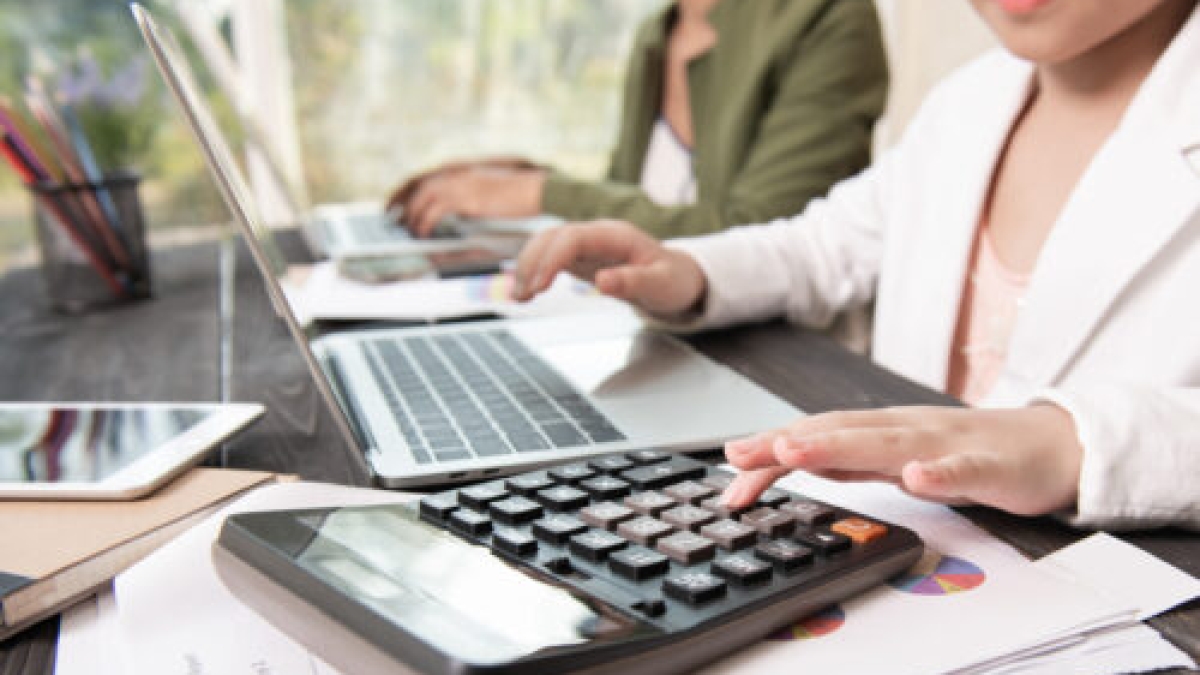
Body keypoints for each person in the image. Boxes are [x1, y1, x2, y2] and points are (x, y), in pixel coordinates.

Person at [511, 0, 1200, 530]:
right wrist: (689, 272)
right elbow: (825, 245)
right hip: (910, 546)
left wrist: (1071, 443)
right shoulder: (967, 101)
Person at [386, 0, 888, 240]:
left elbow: (754, 236)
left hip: (780, 364)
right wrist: (511, 179)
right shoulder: (658, 31)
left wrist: (541, 192)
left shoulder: (829, 19)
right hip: (661, 340)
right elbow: (630, 200)